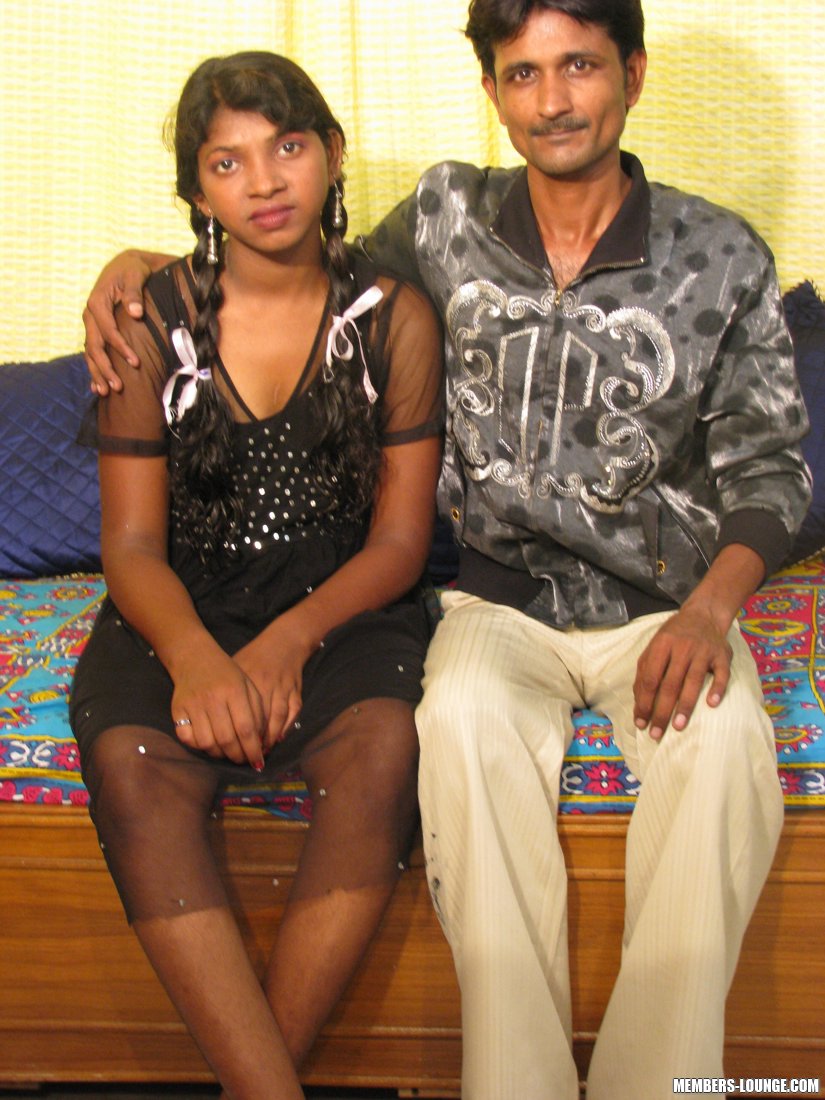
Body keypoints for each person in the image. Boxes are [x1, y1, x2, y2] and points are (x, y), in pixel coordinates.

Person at [81, 3, 812, 1098]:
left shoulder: (721, 255)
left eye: (579, 66)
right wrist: (140, 265)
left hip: (670, 601)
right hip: (497, 604)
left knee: (723, 749)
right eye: (523, 74)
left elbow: (772, 471)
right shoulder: (444, 217)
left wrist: (712, 612)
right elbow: (294, 260)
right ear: (493, 91)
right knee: (457, 727)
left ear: (633, 74)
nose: (553, 100)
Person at [70, 50, 443, 1100]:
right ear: (196, 192)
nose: (265, 181)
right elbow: (130, 546)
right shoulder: (148, 318)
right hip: (181, 602)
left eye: (287, 147)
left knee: (387, 743)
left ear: (332, 153)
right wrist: (194, 657)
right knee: (129, 756)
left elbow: (398, 544)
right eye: (226, 162)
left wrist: (287, 643)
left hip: (344, 604)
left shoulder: (394, 317)